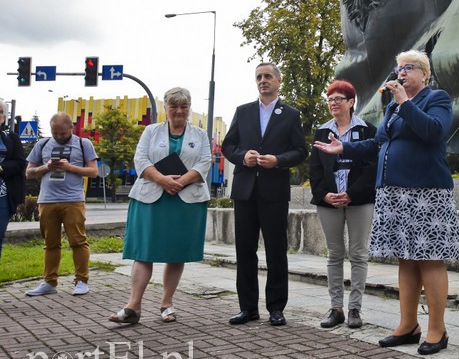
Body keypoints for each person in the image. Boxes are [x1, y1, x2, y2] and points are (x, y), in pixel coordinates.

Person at [314, 50, 459, 355]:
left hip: (426, 191)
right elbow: (379, 143)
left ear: (424, 73)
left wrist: (405, 103)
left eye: (408, 68)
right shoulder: (394, 109)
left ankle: (437, 330)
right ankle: (408, 325)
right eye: (399, 68)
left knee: (430, 258)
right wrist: (344, 147)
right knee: (406, 258)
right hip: (393, 193)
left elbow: (434, 132)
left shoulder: (436, 98)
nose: (401, 73)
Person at [109, 87, 211, 324]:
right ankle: (133, 306)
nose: (178, 111)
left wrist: (182, 181)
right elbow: (140, 159)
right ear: (165, 109)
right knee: (144, 252)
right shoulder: (151, 131)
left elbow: (205, 161)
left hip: (185, 200)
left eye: (183, 107)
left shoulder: (200, 134)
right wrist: (162, 180)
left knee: (176, 254)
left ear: (189, 109)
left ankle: (167, 303)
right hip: (151, 197)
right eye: (173, 106)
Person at [222, 62, 307, 326]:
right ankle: (248, 308)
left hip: (274, 191)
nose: (263, 80)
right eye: (259, 77)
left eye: (268, 76)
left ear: (278, 81)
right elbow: (228, 145)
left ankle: (276, 308)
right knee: (245, 251)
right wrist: (241, 156)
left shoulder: (290, 114)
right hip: (245, 190)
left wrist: (278, 160)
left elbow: (300, 151)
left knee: (276, 251)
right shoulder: (243, 111)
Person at [309, 80, 377, 329]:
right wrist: (324, 194)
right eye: (330, 100)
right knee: (335, 254)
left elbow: (372, 168)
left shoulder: (367, 130)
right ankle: (336, 308)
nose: (333, 104)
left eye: (338, 99)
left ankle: (355, 309)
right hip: (329, 202)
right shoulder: (321, 132)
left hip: (359, 201)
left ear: (351, 102)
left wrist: (352, 194)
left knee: (358, 254)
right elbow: (315, 170)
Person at [25, 113, 98, 296]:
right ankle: (49, 282)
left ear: (71, 128)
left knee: (78, 241)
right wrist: (46, 167)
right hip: (47, 200)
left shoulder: (83, 143)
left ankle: (81, 280)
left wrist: (69, 167)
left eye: (63, 134)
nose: (59, 137)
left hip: (73, 200)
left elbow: (93, 172)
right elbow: (29, 172)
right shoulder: (42, 144)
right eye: (55, 133)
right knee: (50, 243)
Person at [0, 100, 26, 259]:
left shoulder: (11, 138)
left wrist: (2, 168)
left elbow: (20, 162)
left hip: (3, 196)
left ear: (3, 117)